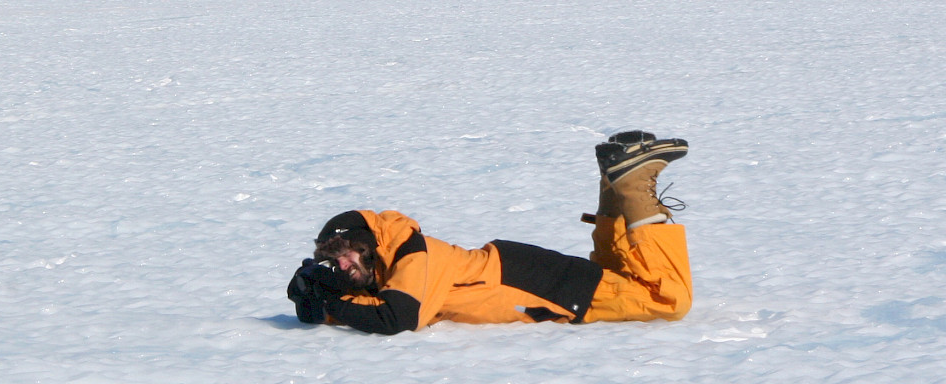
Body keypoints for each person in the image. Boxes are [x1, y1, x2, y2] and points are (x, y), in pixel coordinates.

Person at [286, 131, 692, 334]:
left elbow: (398, 317)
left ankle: (633, 184)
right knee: (618, 270)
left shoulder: (410, 253)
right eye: (332, 258)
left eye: (344, 253)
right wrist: (319, 294)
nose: (340, 263)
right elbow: (369, 305)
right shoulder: (392, 264)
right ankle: (617, 178)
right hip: (521, 272)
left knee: (667, 298)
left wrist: (330, 300)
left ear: (367, 243)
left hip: (536, 283)